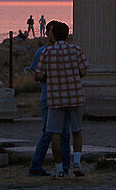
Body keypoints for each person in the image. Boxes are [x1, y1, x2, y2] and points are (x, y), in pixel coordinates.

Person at [33, 20, 89, 177]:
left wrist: (50, 76)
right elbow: (84, 72)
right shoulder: (76, 50)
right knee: (76, 131)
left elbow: (38, 75)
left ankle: (59, 170)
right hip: (75, 96)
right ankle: (76, 163)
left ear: (53, 35)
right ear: (67, 34)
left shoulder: (46, 52)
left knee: (55, 134)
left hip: (55, 98)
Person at [26, 21, 70, 177]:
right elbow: (37, 76)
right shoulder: (42, 52)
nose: (48, 34)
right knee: (48, 132)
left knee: (65, 133)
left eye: (51, 32)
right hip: (48, 97)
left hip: (62, 97)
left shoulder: (64, 51)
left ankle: (65, 167)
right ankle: (36, 165)